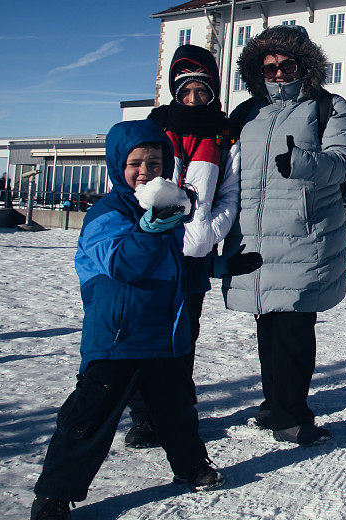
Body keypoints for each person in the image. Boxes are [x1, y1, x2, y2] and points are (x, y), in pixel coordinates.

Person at [30, 120, 224, 520]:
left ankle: (190, 466)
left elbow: (177, 265)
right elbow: (124, 264)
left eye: (155, 163)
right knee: (90, 416)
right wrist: (151, 229)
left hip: (164, 333)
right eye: (135, 162)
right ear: (118, 164)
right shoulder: (106, 213)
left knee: (177, 409)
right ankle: (54, 494)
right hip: (118, 335)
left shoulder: (166, 204)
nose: (145, 171)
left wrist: (221, 265)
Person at [217, 25, 346, 446]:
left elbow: (343, 162)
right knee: (267, 326)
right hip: (253, 237)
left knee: (294, 329)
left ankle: (293, 415)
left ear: (305, 66)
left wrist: (301, 162)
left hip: (303, 235)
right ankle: (274, 404)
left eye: (286, 65)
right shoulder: (247, 112)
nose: (277, 74)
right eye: (269, 67)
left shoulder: (328, 107)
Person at [123, 43, 256, 449]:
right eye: (186, 91)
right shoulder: (155, 126)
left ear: (214, 90)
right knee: (144, 333)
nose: (194, 99)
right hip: (152, 250)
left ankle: (178, 411)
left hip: (195, 257)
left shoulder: (223, 133)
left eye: (202, 91)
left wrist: (210, 232)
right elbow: (133, 182)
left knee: (184, 336)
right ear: (174, 92)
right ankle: (144, 417)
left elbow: (230, 193)